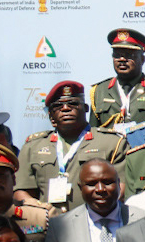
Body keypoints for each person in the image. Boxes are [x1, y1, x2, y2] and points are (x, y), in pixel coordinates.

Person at [14, 81, 125, 213]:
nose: (66, 108)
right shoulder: (33, 147)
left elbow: (122, 187)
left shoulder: (112, 142)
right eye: (58, 106)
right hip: (50, 226)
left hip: (95, 222)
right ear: (50, 115)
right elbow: (21, 191)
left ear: (85, 108)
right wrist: (39, 211)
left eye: (73, 103)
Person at [88, 28, 145, 130]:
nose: (122, 60)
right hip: (111, 145)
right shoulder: (99, 91)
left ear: (142, 60)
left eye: (129, 55)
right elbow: (93, 133)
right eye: (117, 55)